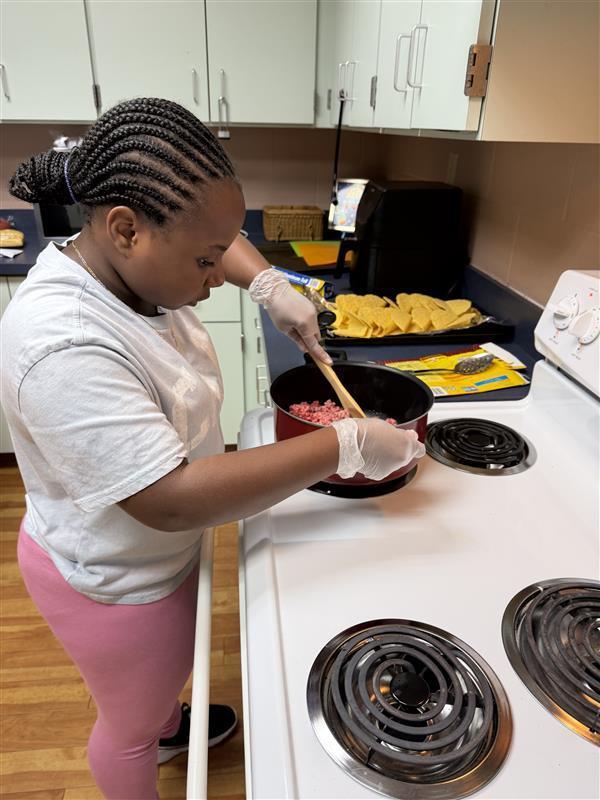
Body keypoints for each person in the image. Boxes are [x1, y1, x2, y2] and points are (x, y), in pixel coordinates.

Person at [0, 97, 425, 800]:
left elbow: (213, 234)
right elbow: (166, 500)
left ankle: (169, 720)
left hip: (153, 554)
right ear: (126, 230)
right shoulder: (63, 342)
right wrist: (342, 443)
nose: (211, 276)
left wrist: (266, 283)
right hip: (113, 577)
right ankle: (150, 734)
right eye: (205, 261)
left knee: (162, 678)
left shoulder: (127, 261)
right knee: (125, 727)